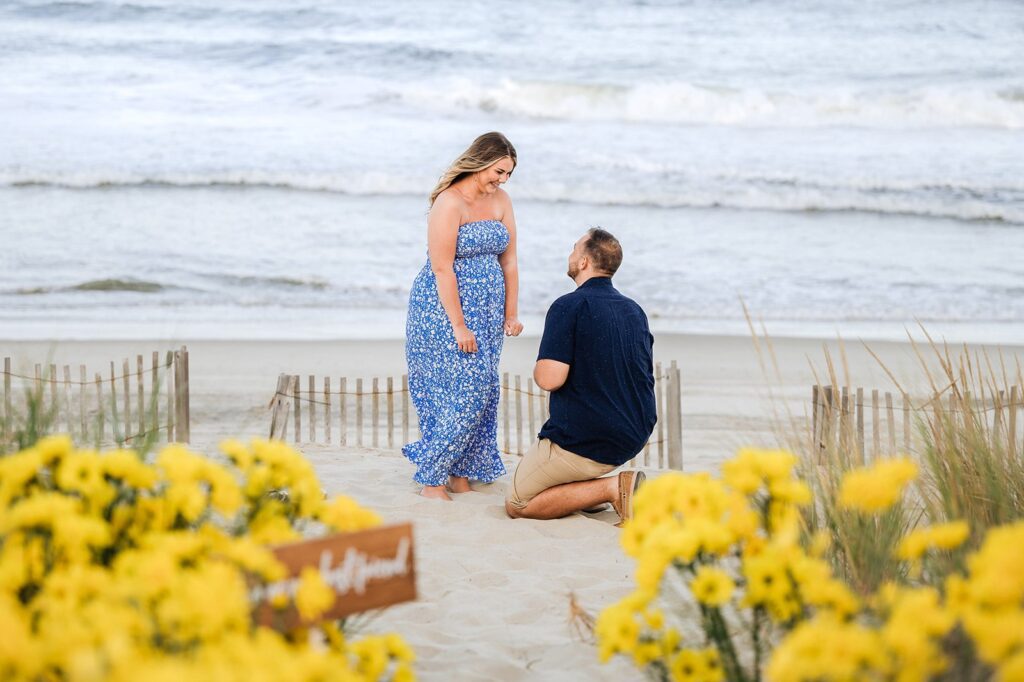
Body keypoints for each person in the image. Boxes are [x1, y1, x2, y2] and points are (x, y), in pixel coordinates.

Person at [403, 132, 524, 500]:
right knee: (461, 392)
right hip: (442, 312)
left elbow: (511, 261)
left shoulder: (501, 200)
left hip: (487, 314)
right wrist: (459, 324)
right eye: (499, 171)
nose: (502, 180)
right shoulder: (449, 202)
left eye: (508, 174)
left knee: (484, 392)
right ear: (482, 161)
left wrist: (512, 312)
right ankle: (433, 480)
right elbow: (442, 269)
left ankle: (460, 473)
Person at [505, 228, 655, 523]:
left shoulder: (568, 306)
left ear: (585, 262)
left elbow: (550, 379)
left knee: (518, 503)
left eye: (575, 249)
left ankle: (612, 487)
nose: (570, 255)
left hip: (585, 440)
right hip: (633, 433)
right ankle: (593, 489)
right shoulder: (634, 310)